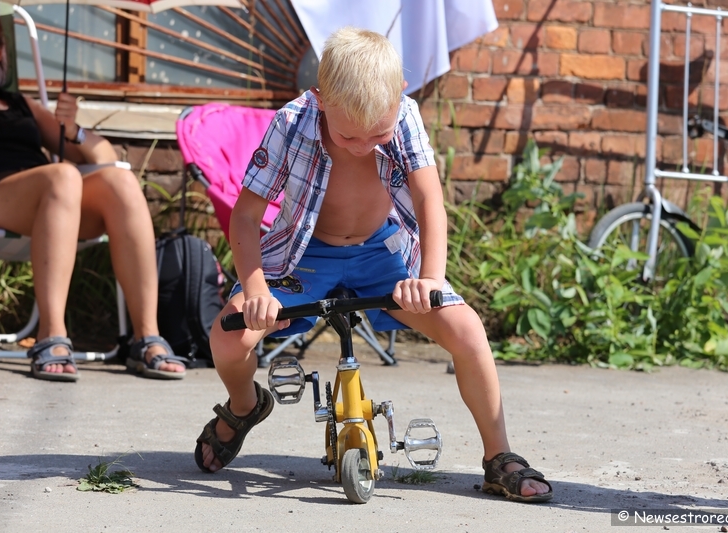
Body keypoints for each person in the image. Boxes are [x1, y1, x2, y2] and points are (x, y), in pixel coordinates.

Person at [194, 26, 553, 503]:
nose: (363, 145)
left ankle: (499, 455)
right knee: (228, 335)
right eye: (348, 135)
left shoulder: (404, 115)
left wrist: (430, 278)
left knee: (467, 331)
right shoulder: (292, 122)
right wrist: (256, 287)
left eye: (377, 134)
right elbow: (246, 213)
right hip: (306, 255)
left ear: (399, 96)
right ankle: (245, 404)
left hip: (382, 255)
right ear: (320, 99)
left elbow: (430, 203)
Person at [0, 3, 186, 382]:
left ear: (1, 53)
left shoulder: (20, 105)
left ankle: (145, 336)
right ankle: (51, 334)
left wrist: (71, 129)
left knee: (119, 180)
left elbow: (103, 157)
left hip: (50, 201)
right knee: (62, 176)